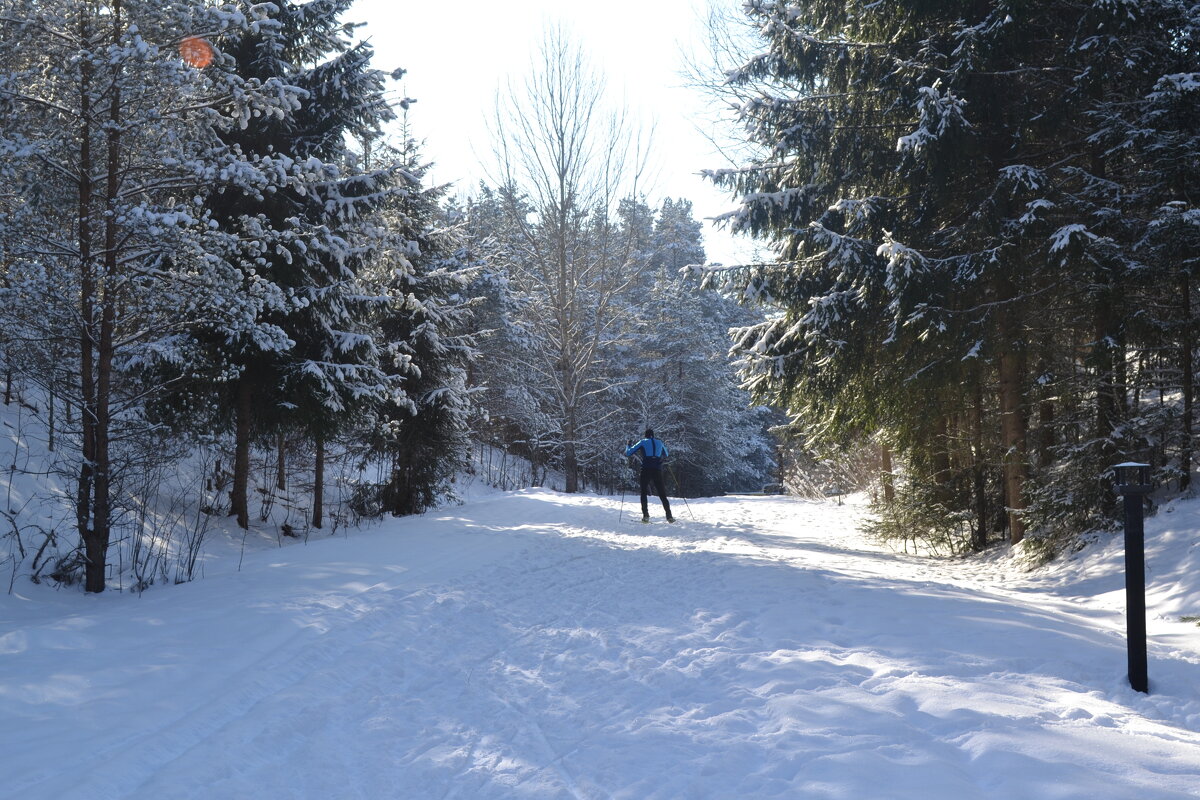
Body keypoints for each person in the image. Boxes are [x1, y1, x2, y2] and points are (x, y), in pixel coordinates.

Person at [625, 428, 674, 523]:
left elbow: (629, 452)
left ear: (645, 435)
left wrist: (628, 444)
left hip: (646, 469)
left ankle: (646, 516)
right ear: (653, 435)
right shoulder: (659, 442)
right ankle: (669, 516)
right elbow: (666, 454)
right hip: (657, 469)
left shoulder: (643, 442)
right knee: (662, 493)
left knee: (643, 492)